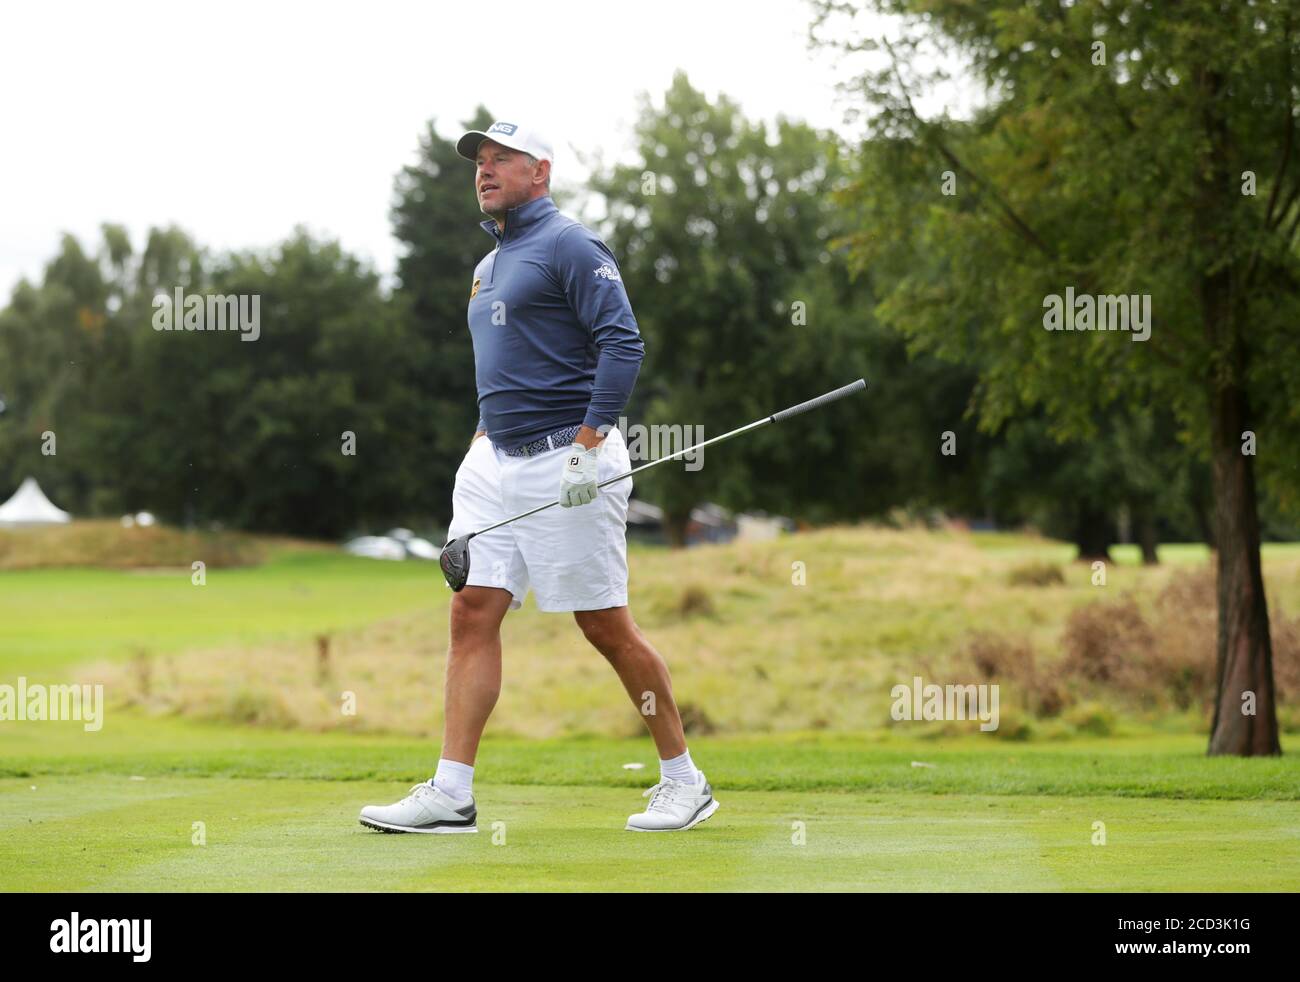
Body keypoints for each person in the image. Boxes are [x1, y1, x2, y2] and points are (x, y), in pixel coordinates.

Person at [359, 120, 719, 834]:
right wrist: (480, 439)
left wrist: (589, 443)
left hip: (570, 458)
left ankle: (685, 781)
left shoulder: (570, 245)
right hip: (493, 459)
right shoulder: (488, 266)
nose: (484, 171)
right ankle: (451, 791)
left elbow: (623, 341)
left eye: (502, 160)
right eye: (479, 162)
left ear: (541, 173)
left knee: (603, 624)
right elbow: (502, 364)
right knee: (471, 610)